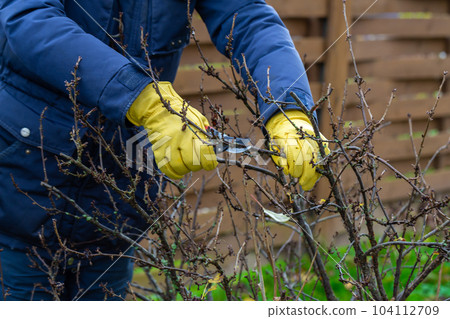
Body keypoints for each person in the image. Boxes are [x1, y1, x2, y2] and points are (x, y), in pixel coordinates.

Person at [0, 0, 328, 300]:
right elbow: (30, 19)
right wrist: (142, 98)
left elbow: (248, 18)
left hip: (117, 200)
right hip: (23, 184)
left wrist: (289, 108)